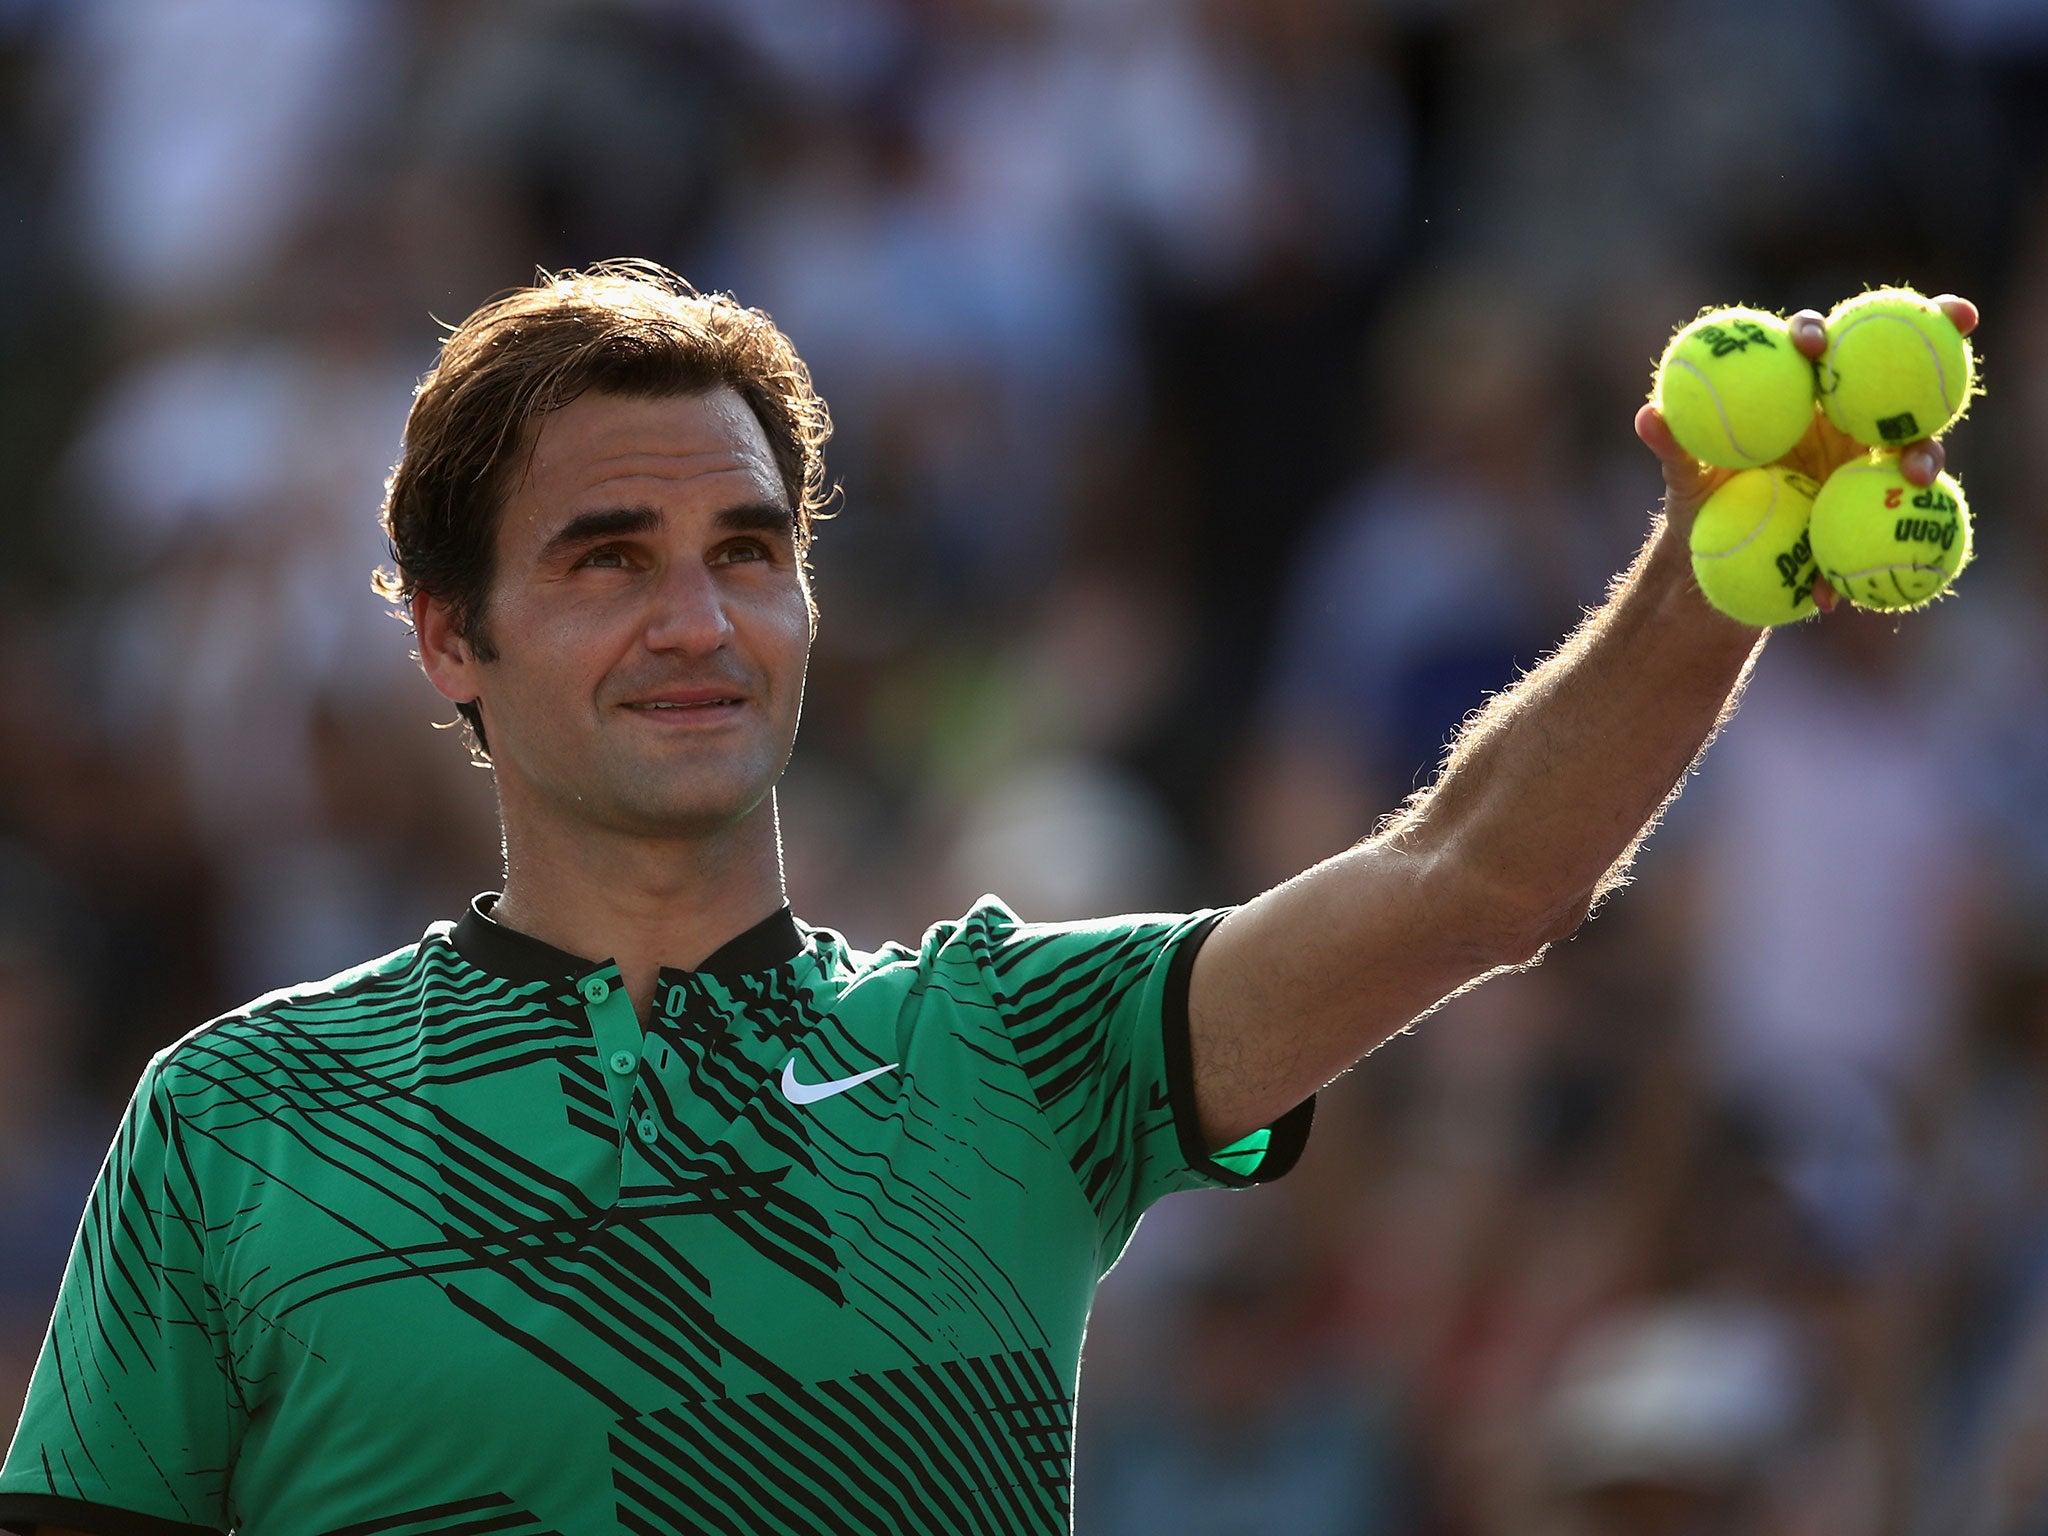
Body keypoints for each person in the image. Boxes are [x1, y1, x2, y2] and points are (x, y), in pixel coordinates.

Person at [0, 261, 1977, 1536]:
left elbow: (1480, 879)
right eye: (606, 557)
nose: (697, 618)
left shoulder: (1013, 1047)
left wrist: (1709, 572)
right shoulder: (231, 1122)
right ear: (450, 637)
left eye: (745, 551)